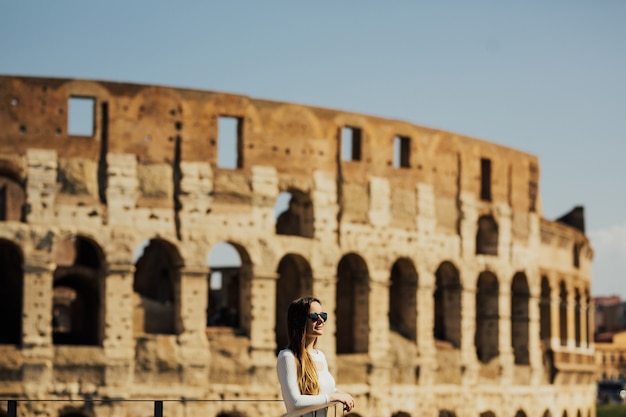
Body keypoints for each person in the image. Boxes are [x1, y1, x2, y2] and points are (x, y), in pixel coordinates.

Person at [277, 296, 355, 416]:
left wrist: (341, 394)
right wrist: (333, 397)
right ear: (299, 321)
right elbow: (294, 404)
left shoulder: (320, 356)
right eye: (314, 317)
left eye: (323, 316)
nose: (321, 320)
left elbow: (323, 390)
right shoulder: (287, 357)